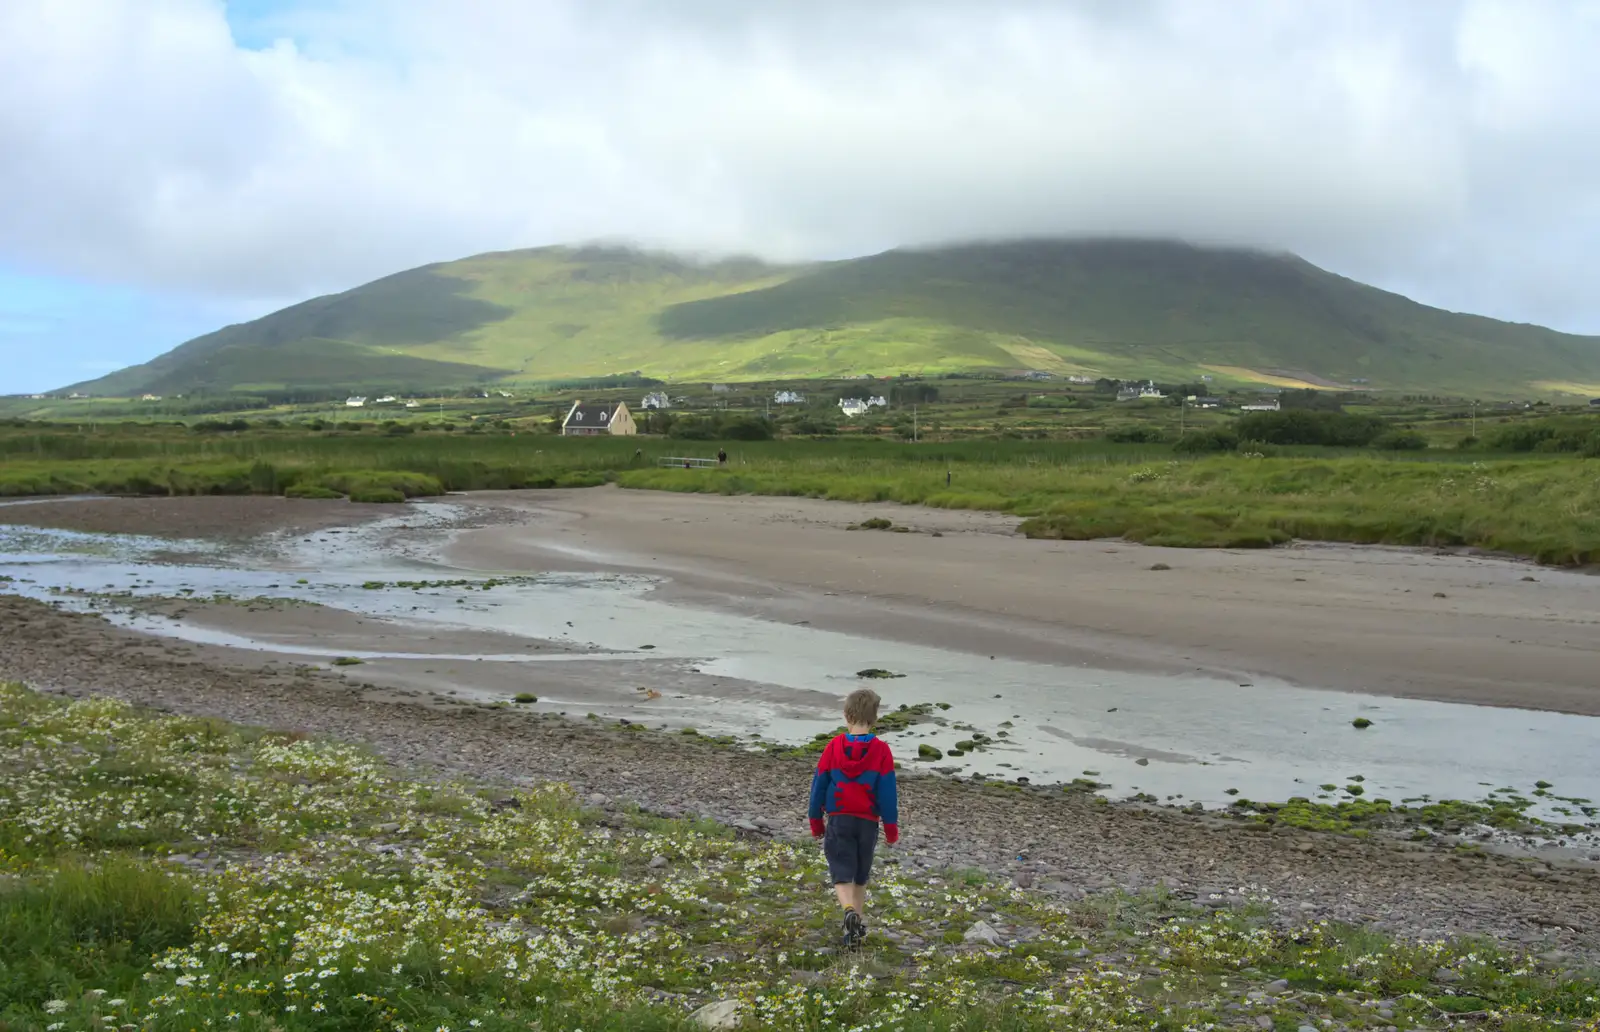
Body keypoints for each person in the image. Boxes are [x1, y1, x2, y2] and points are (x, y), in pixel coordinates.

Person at [808, 688, 899, 948]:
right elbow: (887, 792)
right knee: (860, 875)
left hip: (839, 818)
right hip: (867, 821)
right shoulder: (881, 751)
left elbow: (819, 785)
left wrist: (816, 821)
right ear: (874, 717)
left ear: (846, 715)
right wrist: (891, 827)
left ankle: (848, 910)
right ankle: (855, 929)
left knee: (841, 872)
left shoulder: (834, 747)